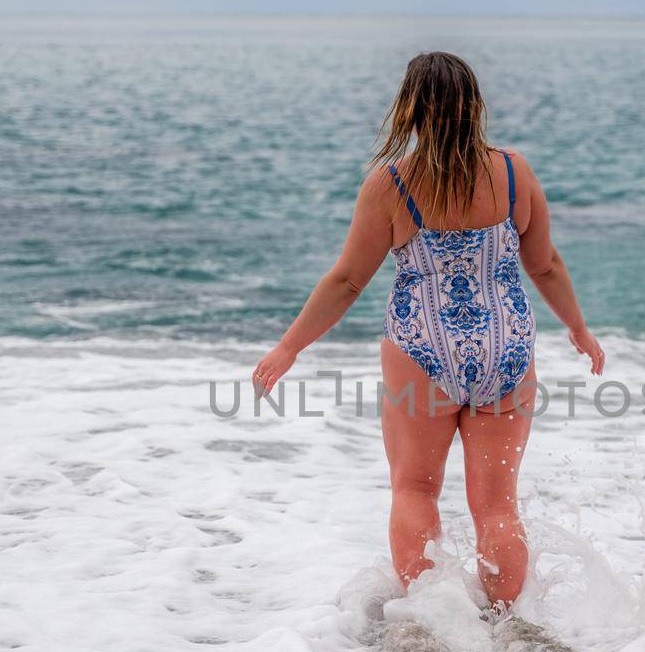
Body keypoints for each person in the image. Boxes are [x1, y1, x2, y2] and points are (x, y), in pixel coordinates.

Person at [253, 51, 603, 609]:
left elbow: (347, 281)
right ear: (474, 106)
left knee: (415, 487)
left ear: (410, 111)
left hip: (422, 346)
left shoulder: (391, 185)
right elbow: (546, 265)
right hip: (505, 346)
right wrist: (579, 329)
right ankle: (508, 625)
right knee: (497, 505)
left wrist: (289, 346)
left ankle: (434, 623)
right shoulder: (514, 172)